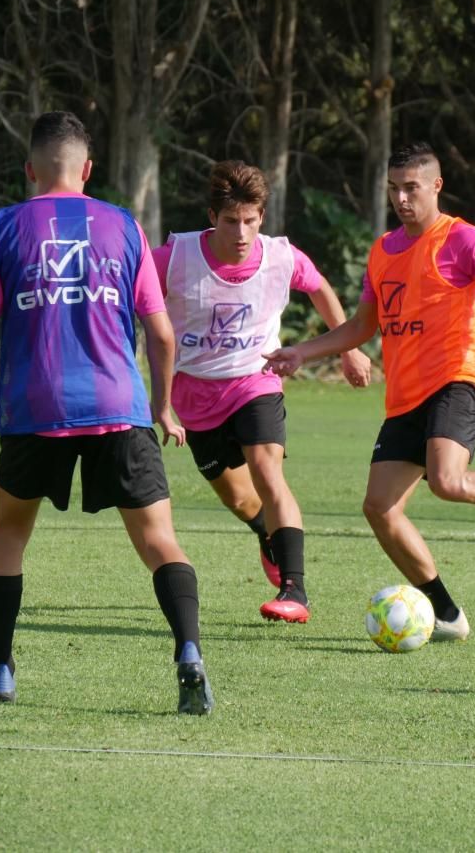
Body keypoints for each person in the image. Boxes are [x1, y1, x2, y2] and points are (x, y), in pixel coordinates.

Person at [0, 111, 214, 715]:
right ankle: (189, 651)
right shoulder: (125, 227)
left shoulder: (0, 230)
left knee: (10, 532)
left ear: (30, 170)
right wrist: (163, 408)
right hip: (119, 407)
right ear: (87, 170)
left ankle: (1, 671)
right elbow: (162, 336)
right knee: (159, 540)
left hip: (34, 411)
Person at [264, 142, 475, 641]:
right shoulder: (382, 251)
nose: (401, 198)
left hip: (460, 378)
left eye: (411, 188)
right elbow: (361, 326)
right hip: (406, 395)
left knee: (447, 479)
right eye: (394, 189)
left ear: (435, 186)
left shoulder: (460, 239)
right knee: (378, 507)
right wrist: (302, 352)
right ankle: (447, 613)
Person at [153, 160, 372, 624]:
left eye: (250, 220)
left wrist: (347, 348)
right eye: (231, 221)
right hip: (195, 395)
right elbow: (129, 293)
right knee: (240, 500)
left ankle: (296, 589)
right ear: (212, 216)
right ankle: (266, 532)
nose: (241, 232)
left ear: (261, 218)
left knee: (266, 469)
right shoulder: (175, 257)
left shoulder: (280, 257)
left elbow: (319, 287)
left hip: (257, 379)